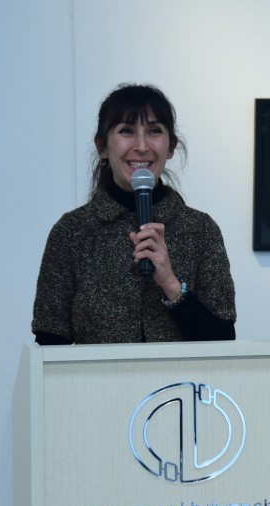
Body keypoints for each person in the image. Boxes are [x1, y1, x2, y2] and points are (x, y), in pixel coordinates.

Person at [31, 83, 236, 344]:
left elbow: (223, 340)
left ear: (171, 147)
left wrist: (171, 284)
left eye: (154, 131)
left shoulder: (201, 230)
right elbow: (49, 343)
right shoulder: (72, 232)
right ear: (102, 146)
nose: (141, 146)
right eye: (126, 131)